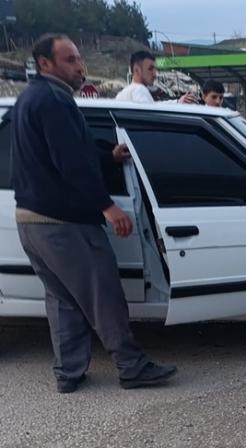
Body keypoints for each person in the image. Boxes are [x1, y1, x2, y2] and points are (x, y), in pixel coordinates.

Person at [10, 34, 177, 393]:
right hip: (65, 223)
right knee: (103, 294)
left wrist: (107, 156)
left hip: (31, 221)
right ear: (45, 64)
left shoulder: (30, 98)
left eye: (79, 59)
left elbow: (59, 152)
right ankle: (131, 366)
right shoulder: (55, 101)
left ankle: (68, 373)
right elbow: (71, 163)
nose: (80, 67)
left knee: (63, 299)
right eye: (70, 60)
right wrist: (107, 206)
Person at [116, 50, 196, 104]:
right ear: (137, 70)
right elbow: (152, 114)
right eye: (150, 69)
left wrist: (178, 102)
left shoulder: (122, 95)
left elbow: (154, 106)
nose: (155, 74)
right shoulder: (139, 90)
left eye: (155, 69)